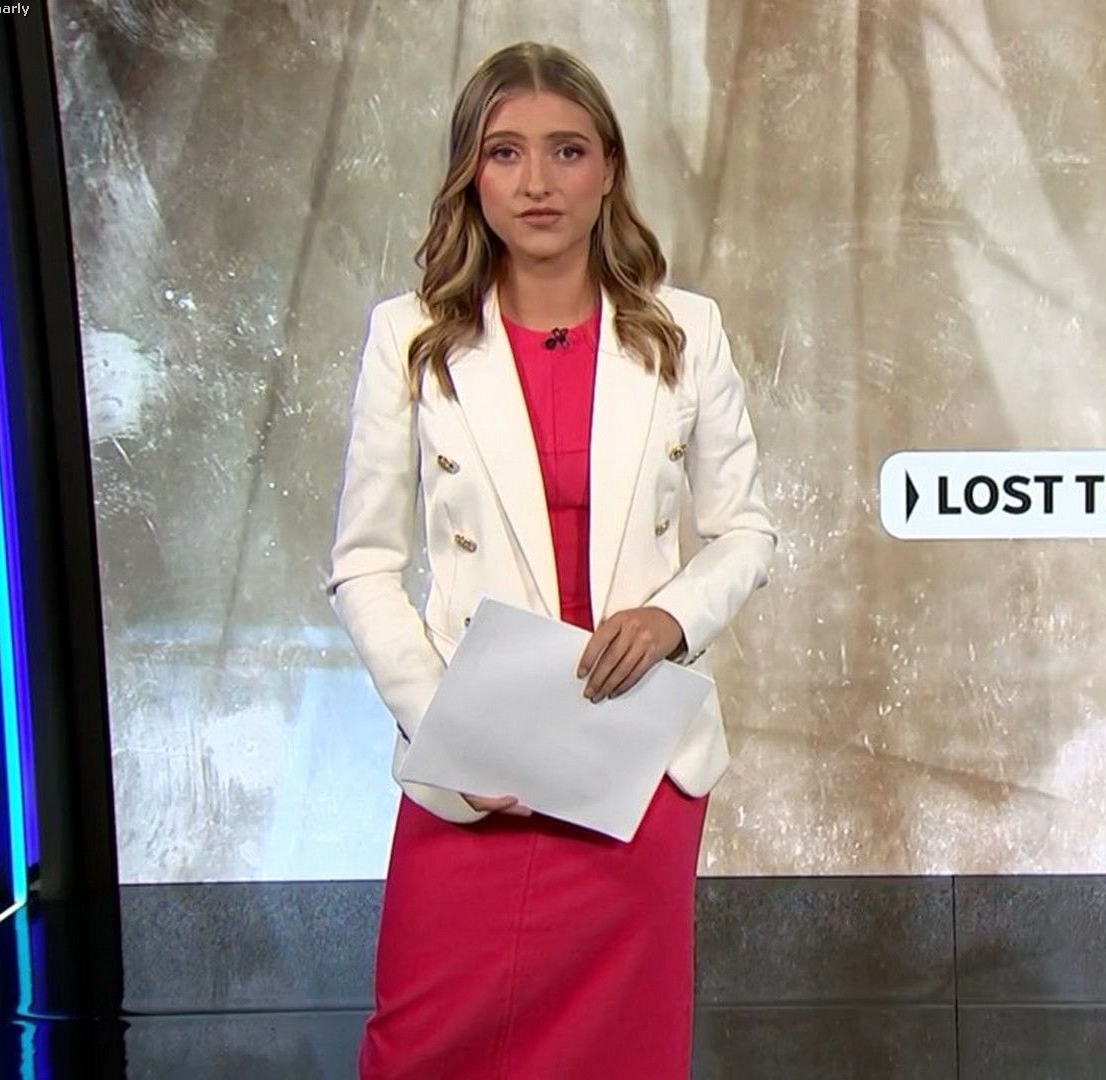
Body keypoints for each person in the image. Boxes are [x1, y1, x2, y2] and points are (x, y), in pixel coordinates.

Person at [322, 41, 776, 1078]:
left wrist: (670, 620)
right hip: (475, 764)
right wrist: (451, 729)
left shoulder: (686, 332)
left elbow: (745, 531)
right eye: (506, 152)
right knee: (426, 1044)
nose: (537, 182)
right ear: (470, 174)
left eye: (567, 151)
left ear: (607, 168)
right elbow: (362, 565)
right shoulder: (409, 338)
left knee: (619, 1051)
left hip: (631, 760)